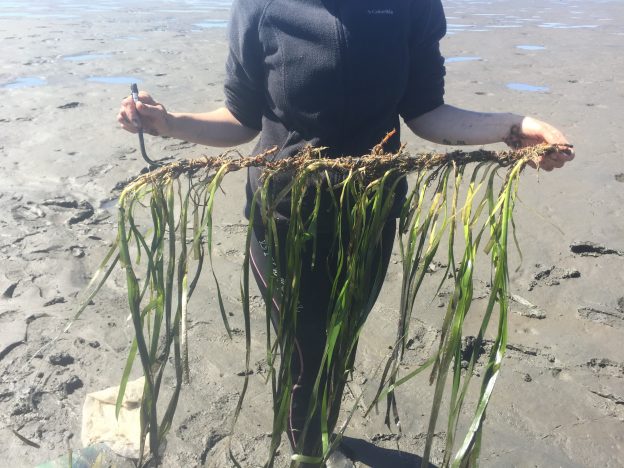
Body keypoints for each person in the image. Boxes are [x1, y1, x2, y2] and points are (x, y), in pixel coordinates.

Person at [117, 1, 574, 465]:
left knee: (339, 342)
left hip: (370, 220)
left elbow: (427, 113)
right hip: (283, 221)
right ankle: (310, 455)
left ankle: (317, 437)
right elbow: (242, 118)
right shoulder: (261, 6)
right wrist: (167, 123)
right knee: (308, 349)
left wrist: (513, 128)